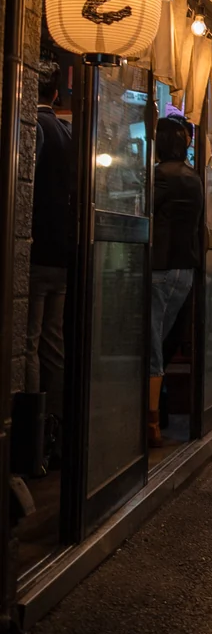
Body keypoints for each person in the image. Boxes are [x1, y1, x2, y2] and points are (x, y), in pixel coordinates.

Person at [150, 116, 203, 447]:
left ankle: (151, 420)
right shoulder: (193, 177)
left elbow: (143, 209)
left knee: (150, 342)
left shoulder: (161, 175)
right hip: (186, 269)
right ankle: (158, 409)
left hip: (161, 267)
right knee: (161, 340)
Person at [26, 60, 73, 428]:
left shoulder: (33, 128)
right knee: (53, 343)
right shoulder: (67, 132)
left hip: (36, 249)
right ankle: (55, 423)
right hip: (62, 253)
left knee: (27, 341)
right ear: (56, 95)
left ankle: (31, 430)